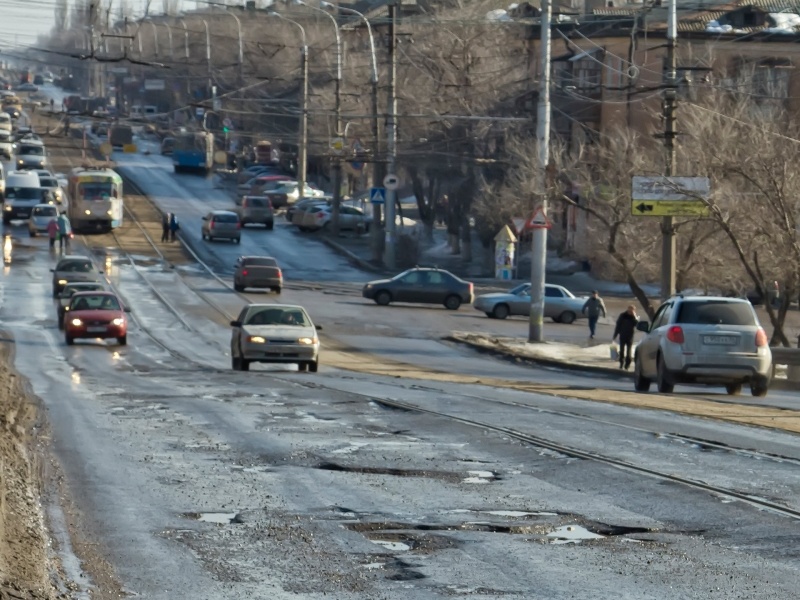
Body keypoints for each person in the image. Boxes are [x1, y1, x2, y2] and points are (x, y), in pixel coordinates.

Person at [613, 304, 639, 370]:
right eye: (629, 309)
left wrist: (635, 317)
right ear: (627, 309)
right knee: (622, 350)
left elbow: (637, 325)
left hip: (630, 336)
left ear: (634, 310)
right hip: (622, 335)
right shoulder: (622, 315)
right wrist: (615, 334)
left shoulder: (634, 317)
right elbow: (618, 325)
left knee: (629, 351)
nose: (630, 311)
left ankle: (627, 364)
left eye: (632, 309)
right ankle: (621, 363)